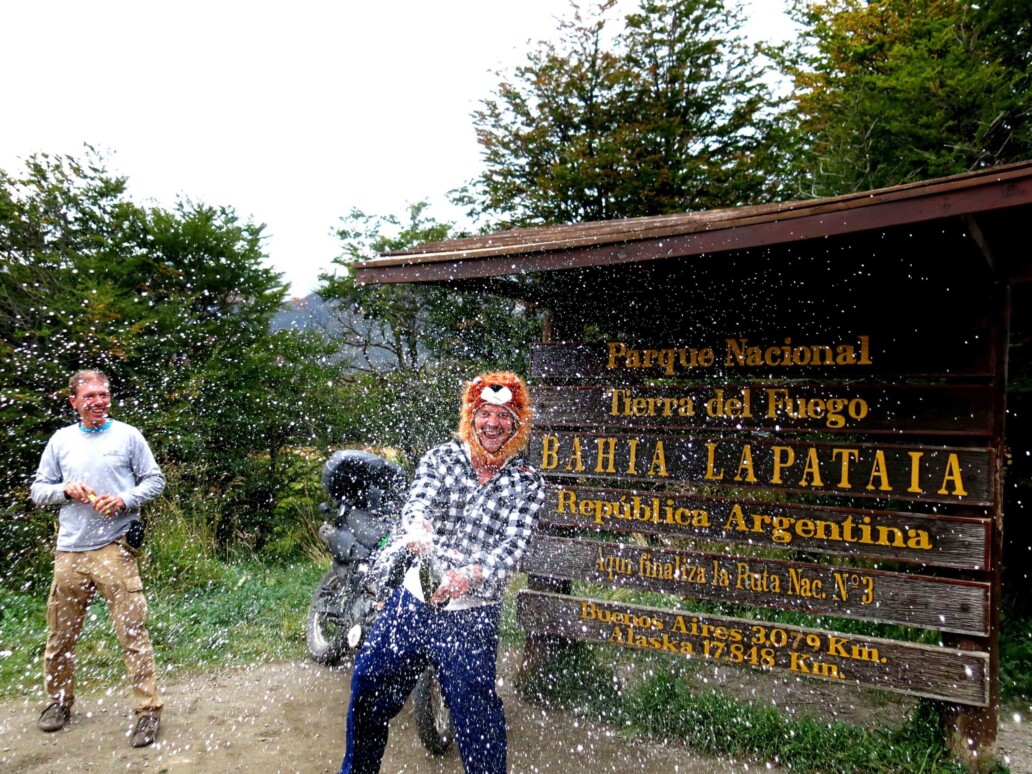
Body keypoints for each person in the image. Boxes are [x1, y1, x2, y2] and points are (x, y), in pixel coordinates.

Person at [339, 371, 545, 774]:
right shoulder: (440, 458)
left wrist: (470, 574)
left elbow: (513, 547)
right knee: (368, 688)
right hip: (413, 604)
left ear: (517, 425)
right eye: (485, 413)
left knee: (478, 721)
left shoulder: (528, 484)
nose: (493, 424)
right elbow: (419, 503)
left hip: (472, 616)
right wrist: (418, 526)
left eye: (504, 416)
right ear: (471, 416)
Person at [30, 370, 166, 748]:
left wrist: (125, 500)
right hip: (70, 552)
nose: (98, 402)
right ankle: (58, 702)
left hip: (115, 548)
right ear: (73, 401)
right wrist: (64, 490)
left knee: (133, 633)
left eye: (103, 395)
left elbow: (155, 480)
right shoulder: (61, 441)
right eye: (88, 396)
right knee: (61, 635)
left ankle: (147, 712)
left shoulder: (128, 436)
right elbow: (39, 491)